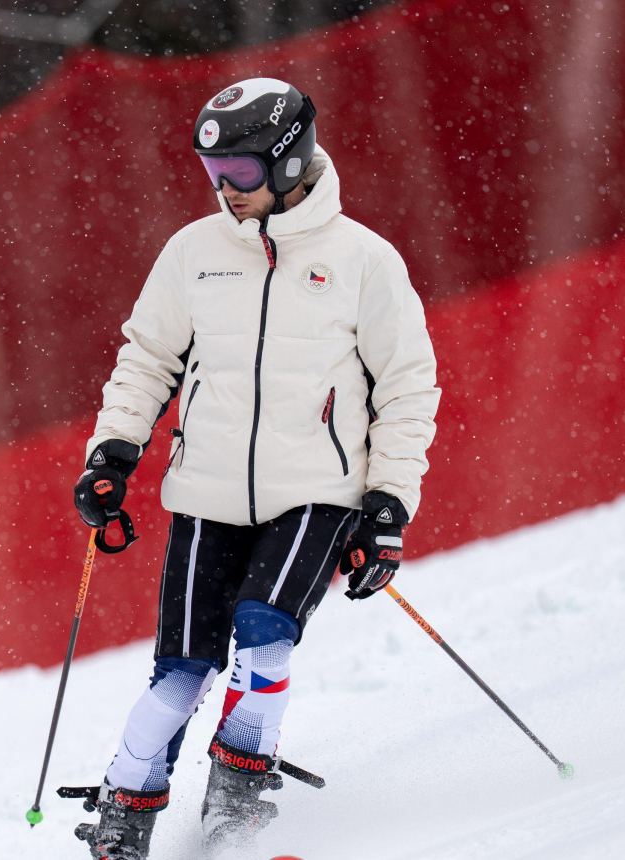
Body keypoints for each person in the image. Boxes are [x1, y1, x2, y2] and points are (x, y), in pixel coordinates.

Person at [70, 77, 440, 859]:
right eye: (213, 176)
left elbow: (408, 387)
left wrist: (386, 505)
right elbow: (147, 360)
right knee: (182, 670)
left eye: (239, 174)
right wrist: (112, 454)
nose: (225, 193)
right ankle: (124, 811)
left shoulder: (363, 261)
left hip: (318, 491)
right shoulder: (193, 254)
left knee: (264, 636)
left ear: (289, 159)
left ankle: (238, 794)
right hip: (205, 493)